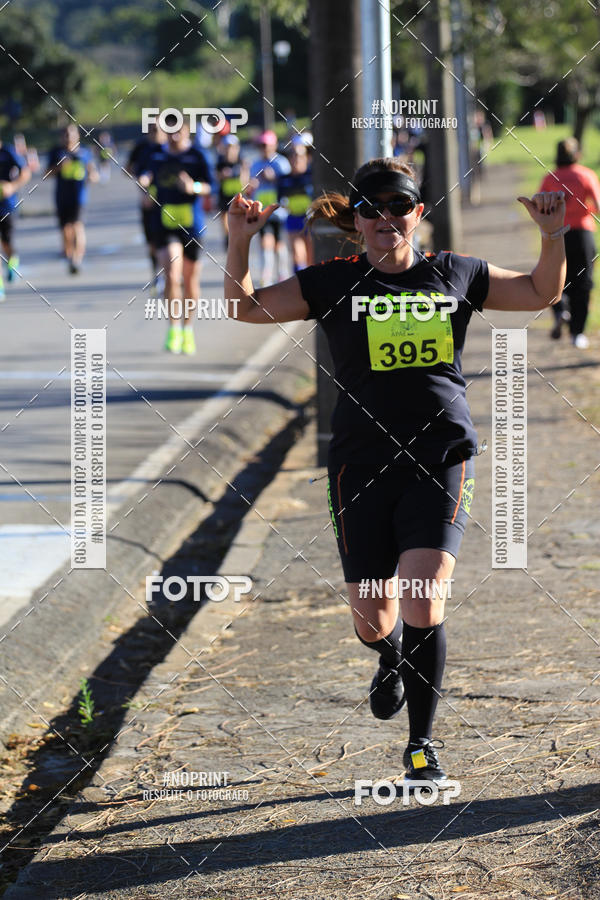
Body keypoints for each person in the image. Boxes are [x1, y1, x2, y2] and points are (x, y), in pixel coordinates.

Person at [224, 157, 566, 785]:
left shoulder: (455, 273)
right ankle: (387, 659)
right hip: (360, 465)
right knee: (373, 617)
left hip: (439, 457)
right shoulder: (332, 282)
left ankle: (421, 748)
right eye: (373, 207)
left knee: (424, 595)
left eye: (399, 205)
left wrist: (552, 235)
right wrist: (240, 241)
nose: (387, 217)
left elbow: (541, 293)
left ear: (419, 212)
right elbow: (245, 310)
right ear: (357, 218)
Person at [139, 117, 215, 355]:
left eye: (178, 131)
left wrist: (194, 187)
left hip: (192, 226)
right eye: (169, 131)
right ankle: (173, 328)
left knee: (191, 280)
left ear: (186, 132)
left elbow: (211, 186)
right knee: (172, 274)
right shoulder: (156, 155)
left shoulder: (197, 156)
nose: (173, 136)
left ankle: (188, 329)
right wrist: (145, 185)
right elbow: (146, 178)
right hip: (165, 224)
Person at [539, 137, 600, 349]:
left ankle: (560, 310)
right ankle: (577, 333)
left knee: (556, 278)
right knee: (583, 283)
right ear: (577, 154)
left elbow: (541, 205)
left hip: (558, 234)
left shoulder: (550, 178)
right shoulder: (586, 175)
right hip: (583, 234)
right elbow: (598, 204)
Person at [45, 124, 99, 274]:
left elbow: (94, 174)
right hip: (61, 197)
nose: (68, 137)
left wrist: (92, 176)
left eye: (71, 134)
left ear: (77, 136)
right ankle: (69, 254)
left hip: (79, 197)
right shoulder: (56, 152)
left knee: (77, 226)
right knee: (65, 229)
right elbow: (46, 174)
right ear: (62, 137)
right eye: (65, 134)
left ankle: (77, 259)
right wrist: (59, 167)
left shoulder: (84, 153)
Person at [125, 122, 166, 284]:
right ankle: (157, 272)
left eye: (156, 129)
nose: (153, 132)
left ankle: (171, 272)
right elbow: (128, 169)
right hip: (147, 200)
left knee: (170, 239)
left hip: (168, 201)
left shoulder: (169, 147)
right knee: (152, 241)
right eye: (150, 129)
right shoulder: (141, 147)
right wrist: (140, 178)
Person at [248, 130, 291, 285]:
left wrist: (274, 178)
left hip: (279, 211)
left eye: (266, 145)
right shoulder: (255, 164)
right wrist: (251, 187)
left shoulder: (281, 163)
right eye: (261, 145)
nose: (263, 148)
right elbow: (250, 186)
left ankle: (282, 272)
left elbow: (289, 183)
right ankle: (266, 274)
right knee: (266, 241)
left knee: (279, 243)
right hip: (263, 211)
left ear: (273, 145)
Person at [0, 135, 31, 300]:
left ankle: (13, 262)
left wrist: (12, 186)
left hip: (7, 206)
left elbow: (25, 172)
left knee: (7, 242)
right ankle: (0, 288)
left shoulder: (8, 151)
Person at [277, 139, 314, 272]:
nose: (295, 159)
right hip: (293, 219)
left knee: (311, 258)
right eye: (292, 155)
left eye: (299, 155)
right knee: (298, 255)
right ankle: (299, 283)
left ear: (306, 158)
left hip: (310, 220)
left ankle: (313, 284)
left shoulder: (312, 177)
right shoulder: (283, 179)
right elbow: (279, 200)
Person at [215, 134, 249, 250]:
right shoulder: (220, 163)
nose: (230, 150)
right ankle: (228, 239)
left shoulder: (242, 162)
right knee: (225, 221)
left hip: (238, 198)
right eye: (228, 147)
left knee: (240, 222)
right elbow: (215, 178)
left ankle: (238, 239)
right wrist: (222, 175)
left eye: (233, 147)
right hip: (224, 197)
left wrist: (240, 173)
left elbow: (245, 183)